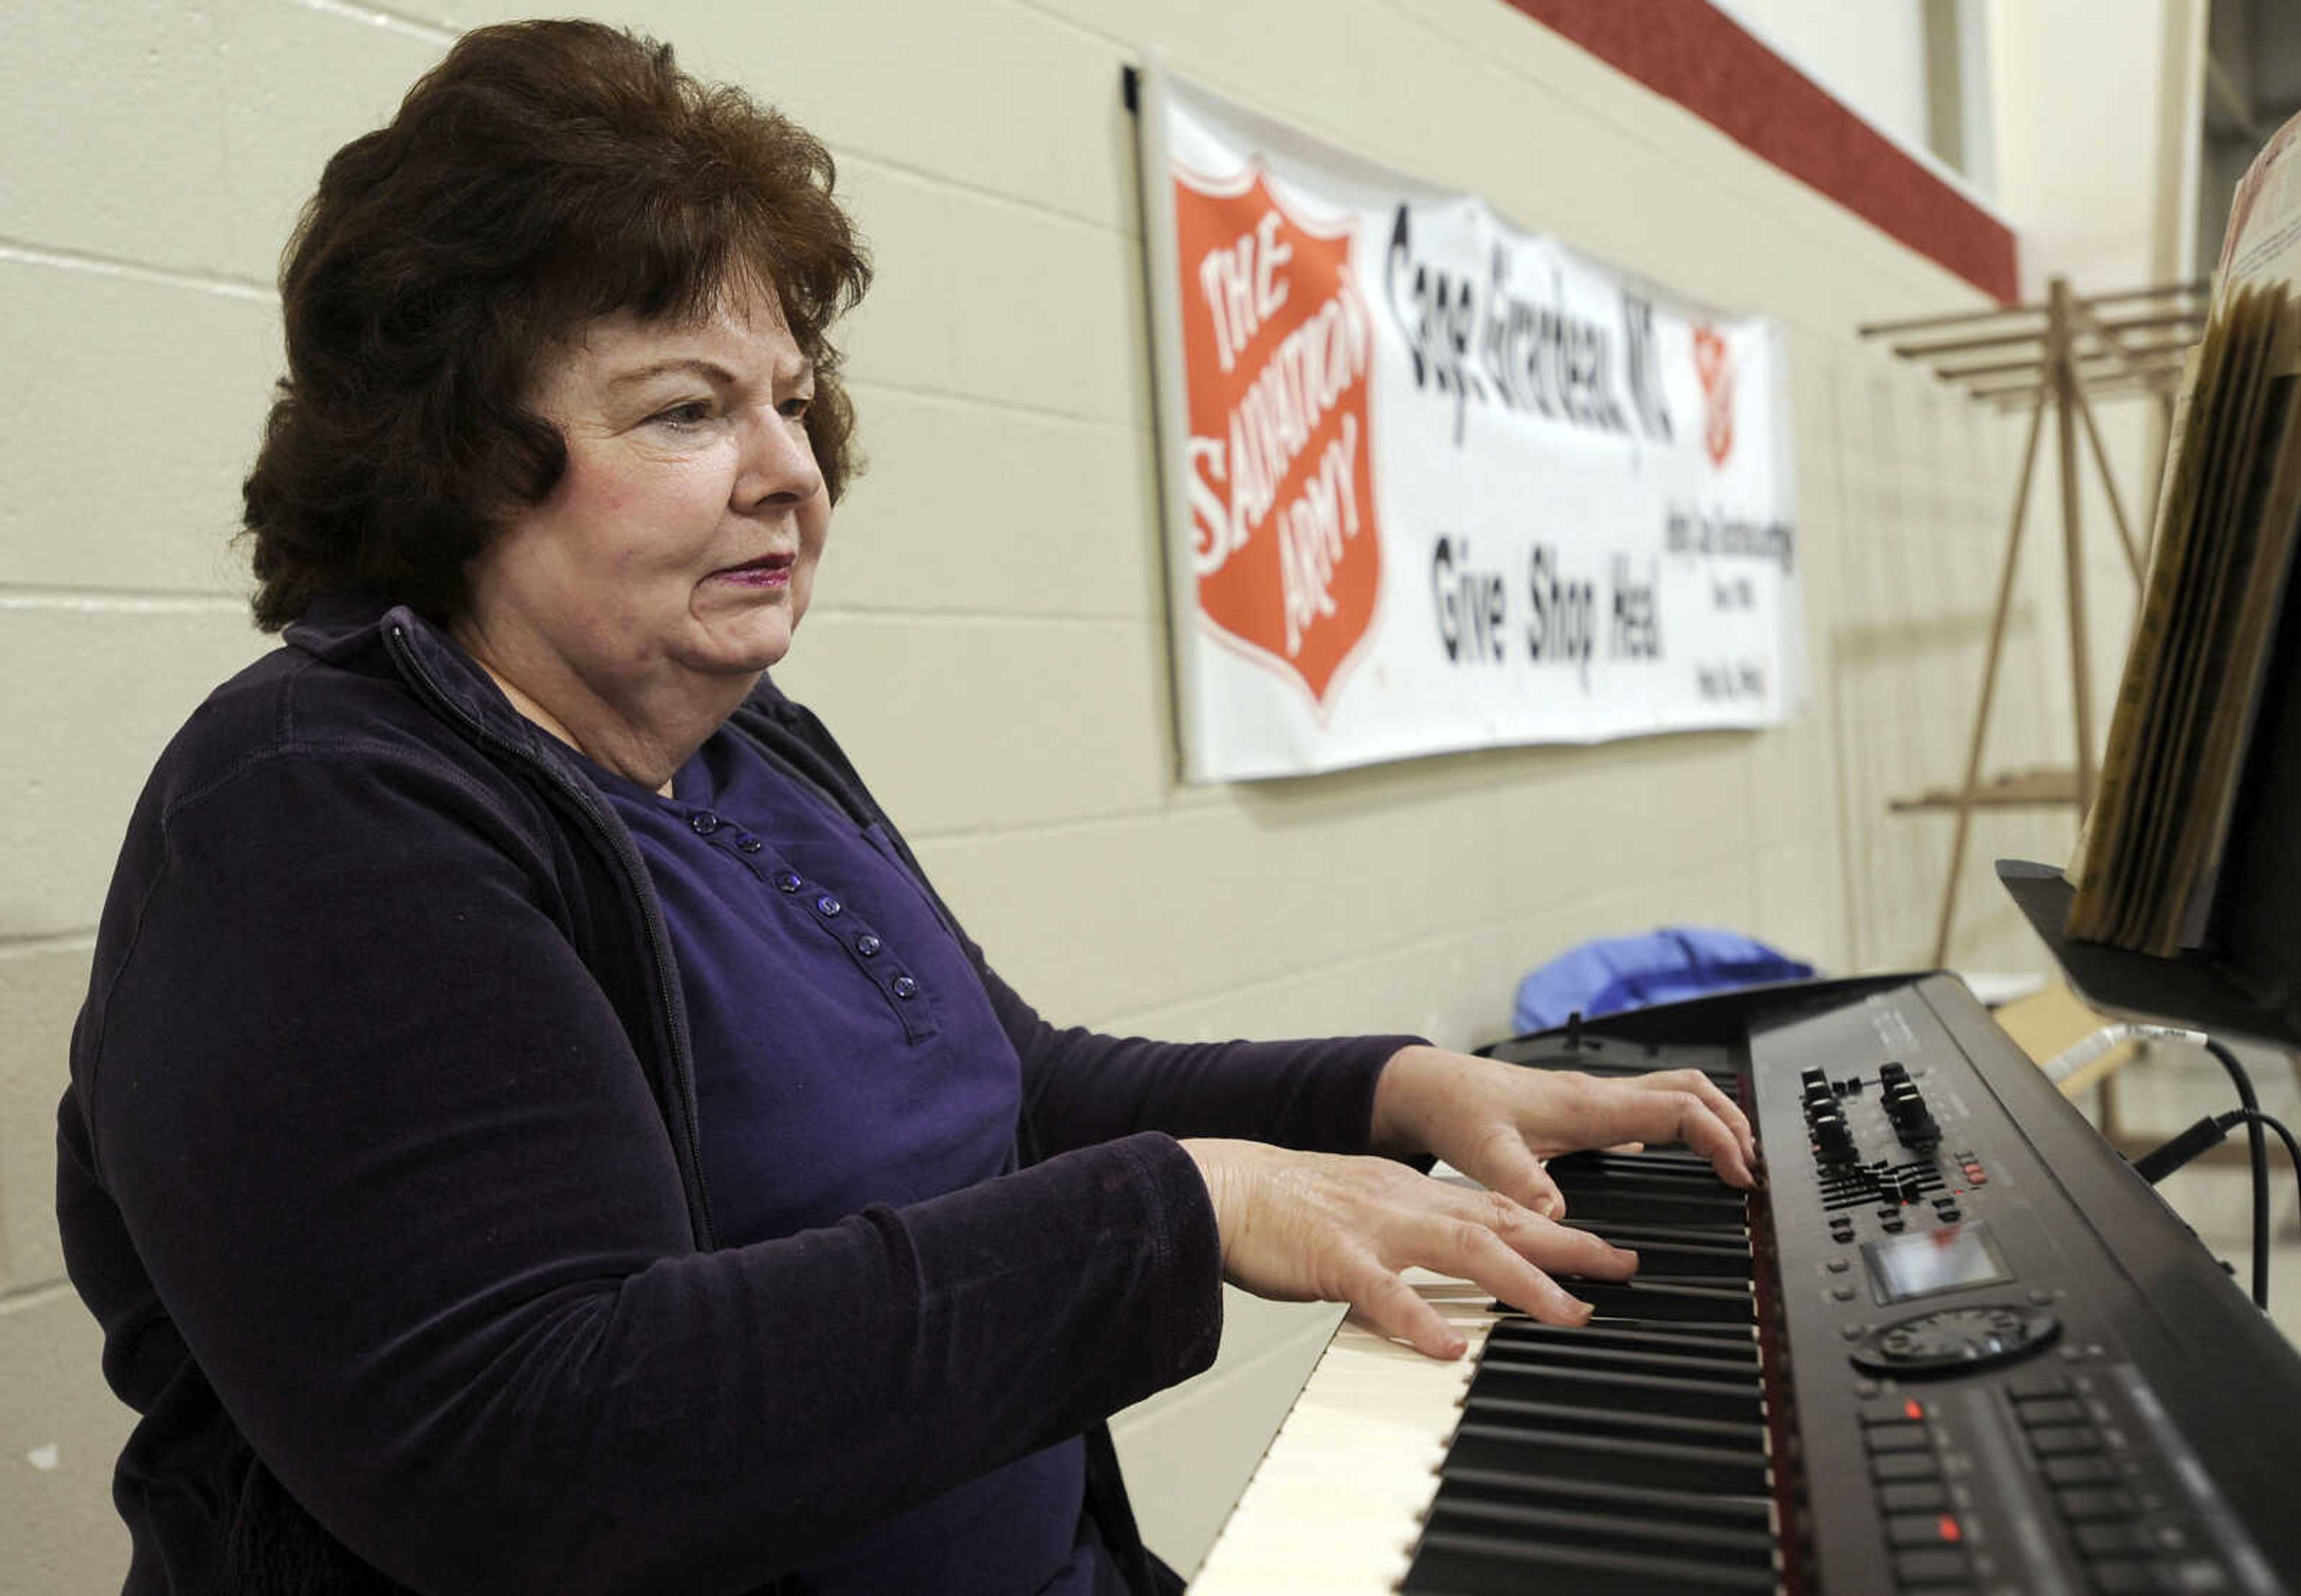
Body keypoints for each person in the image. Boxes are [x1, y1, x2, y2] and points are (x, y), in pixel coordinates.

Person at [55, 20, 1757, 1595]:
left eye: (790, 400)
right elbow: (532, 1438)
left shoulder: (746, 748)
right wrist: (1190, 1210)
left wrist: (1394, 1091)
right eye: (686, 410)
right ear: (449, 458)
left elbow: (1017, 1094)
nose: (789, 463)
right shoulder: (312, 812)